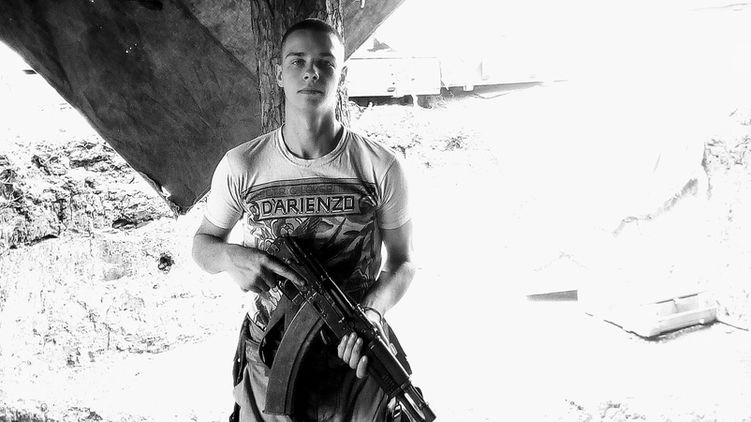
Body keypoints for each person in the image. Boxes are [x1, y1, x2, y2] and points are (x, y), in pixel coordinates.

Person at [192, 18, 415, 422]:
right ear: (278, 74)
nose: (311, 72)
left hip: (354, 359)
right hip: (271, 357)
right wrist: (228, 257)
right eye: (297, 62)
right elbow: (203, 244)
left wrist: (372, 313)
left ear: (341, 74)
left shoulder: (380, 166)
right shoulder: (243, 165)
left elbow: (403, 262)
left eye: (325, 63)